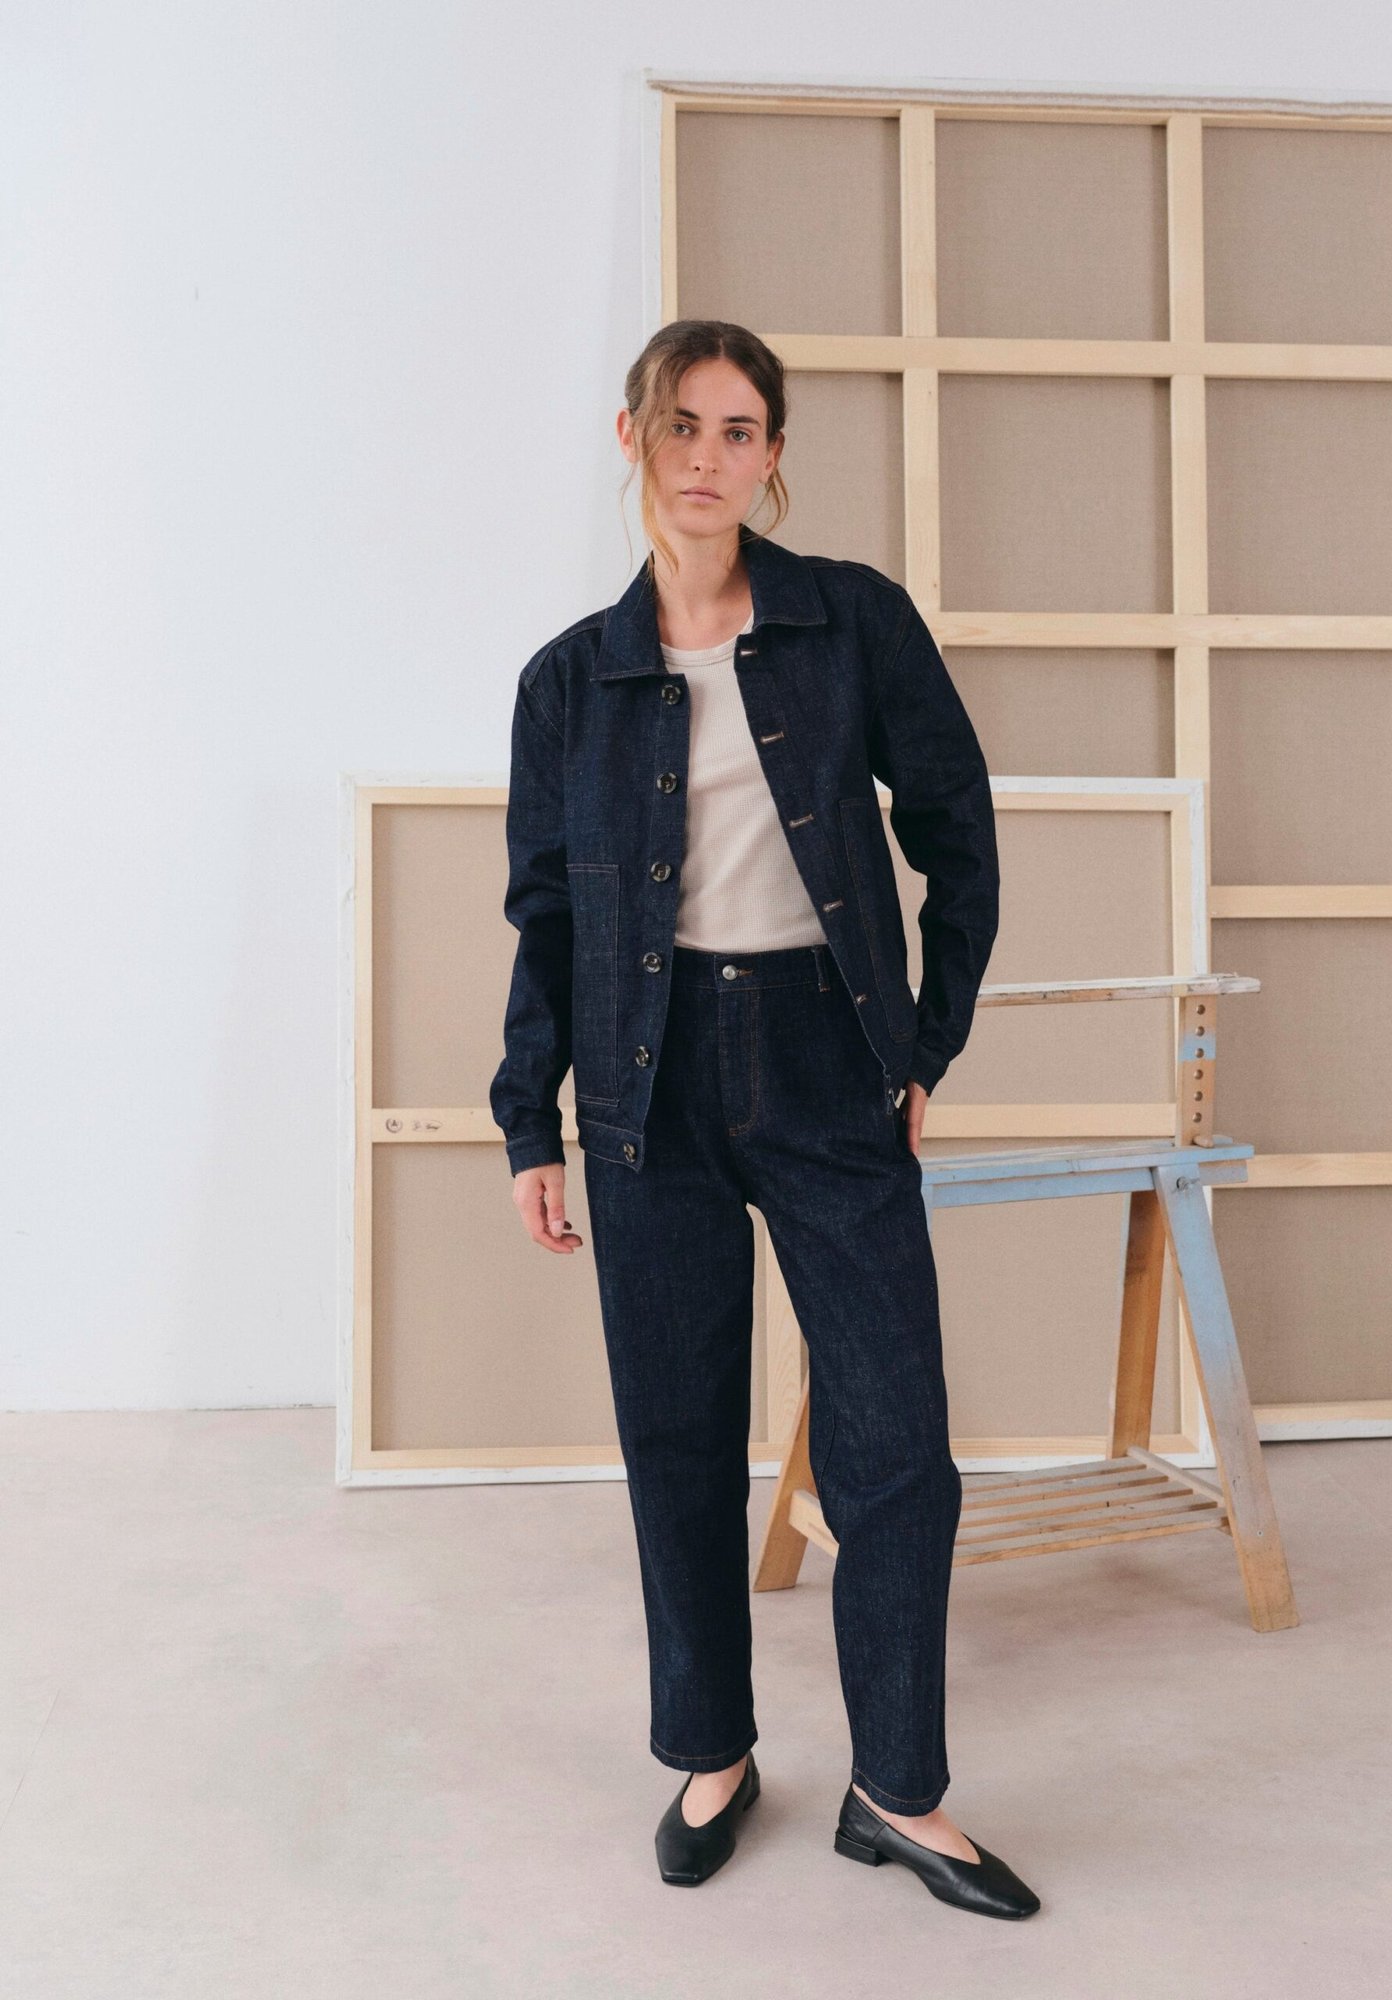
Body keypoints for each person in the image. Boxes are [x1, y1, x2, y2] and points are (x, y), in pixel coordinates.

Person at [489, 319, 1039, 1920]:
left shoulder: (850, 621)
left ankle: (900, 1789)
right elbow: (547, 917)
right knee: (676, 1432)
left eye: (740, 430)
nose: (709, 457)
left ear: (773, 455)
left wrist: (924, 1040)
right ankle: (711, 1754)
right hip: (643, 1076)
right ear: (634, 437)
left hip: (822, 1059)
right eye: (684, 424)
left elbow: (957, 827)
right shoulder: (569, 680)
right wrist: (530, 1121)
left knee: (895, 1441)